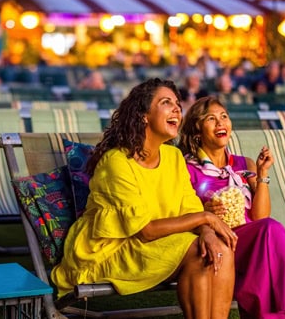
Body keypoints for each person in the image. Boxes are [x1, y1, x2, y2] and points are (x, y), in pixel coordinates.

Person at [51, 78, 237, 319]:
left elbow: (189, 206)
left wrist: (208, 231)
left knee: (218, 248)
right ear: (144, 116)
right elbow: (145, 230)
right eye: (166, 102)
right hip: (109, 252)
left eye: (178, 104)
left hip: (157, 244)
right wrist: (206, 218)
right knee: (197, 251)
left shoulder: (173, 157)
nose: (177, 109)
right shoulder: (116, 162)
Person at [178, 96, 285, 319]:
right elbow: (182, 211)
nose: (220, 123)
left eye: (224, 117)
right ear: (197, 130)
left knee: (268, 234)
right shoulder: (187, 168)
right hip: (219, 243)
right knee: (270, 231)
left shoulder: (244, 164)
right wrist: (206, 214)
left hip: (254, 240)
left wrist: (262, 175)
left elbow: (260, 215)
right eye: (211, 119)